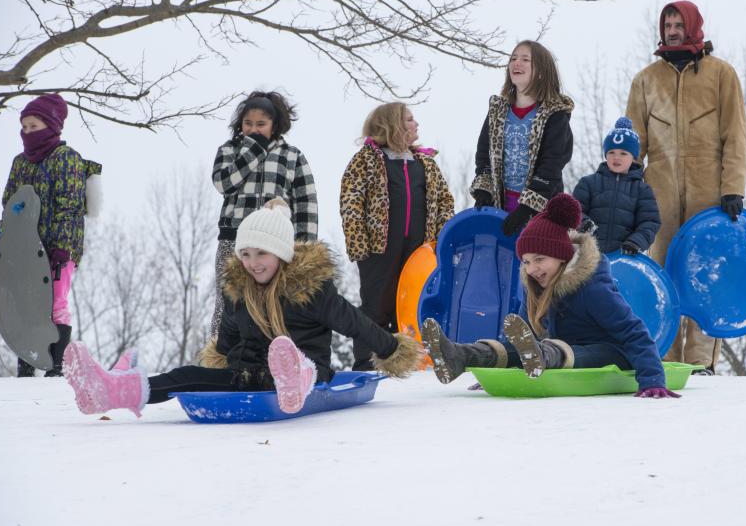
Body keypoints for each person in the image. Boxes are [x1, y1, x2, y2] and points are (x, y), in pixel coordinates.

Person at [63, 199, 420, 418]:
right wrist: (217, 366)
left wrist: (392, 348)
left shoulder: (310, 291)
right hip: (249, 374)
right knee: (186, 374)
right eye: (245, 255)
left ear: (280, 253)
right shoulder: (238, 292)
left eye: (261, 254)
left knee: (300, 364)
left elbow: (356, 323)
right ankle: (109, 391)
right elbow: (227, 342)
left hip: (312, 371)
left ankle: (296, 378)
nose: (252, 263)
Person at [421, 193, 679, 399]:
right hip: (549, 350)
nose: (532, 269)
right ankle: (459, 355)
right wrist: (497, 372)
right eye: (526, 261)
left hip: (610, 352)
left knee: (557, 350)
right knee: (522, 347)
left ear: (561, 255)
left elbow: (633, 331)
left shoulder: (591, 286)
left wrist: (652, 379)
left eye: (540, 259)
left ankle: (542, 357)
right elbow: (522, 337)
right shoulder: (533, 285)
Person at [626, 1, 746, 373]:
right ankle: (665, 358)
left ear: (693, 26)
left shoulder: (720, 75)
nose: (673, 30)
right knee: (661, 276)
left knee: (704, 274)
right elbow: (634, 142)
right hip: (658, 195)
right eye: (668, 24)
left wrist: (733, 189)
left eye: (679, 23)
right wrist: (628, 187)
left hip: (708, 194)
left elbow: (735, 136)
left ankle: (700, 362)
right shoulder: (646, 80)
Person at [340, 102, 454, 371]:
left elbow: (444, 201)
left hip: (419, 249)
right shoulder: (366, 160)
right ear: (392, 126)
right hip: (378, 249)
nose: (416, 125)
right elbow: (351, 202)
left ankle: (415, 360)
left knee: (413, 301)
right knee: (376, 304)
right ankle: (368, 361)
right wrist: (360, 246)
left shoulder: (425, 163)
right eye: (410, 120)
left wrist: (440, 242)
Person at [1, 93, 102, 378]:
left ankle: (56, 365)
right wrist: (5, 242)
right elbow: (9, 203)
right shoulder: (20, 162)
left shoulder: (66, 159)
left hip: (59, 246)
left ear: (52, 126)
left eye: (34, 126)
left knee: (56, 301)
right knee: (25, 303)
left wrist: (61, 247)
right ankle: (28, 361)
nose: (28, 132)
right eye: (25, 127)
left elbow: (69, 206)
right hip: (23, 249)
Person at [210, 91, 318, 337]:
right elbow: (223, 184)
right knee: (228, 300)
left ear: (274, 125)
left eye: (261, 124)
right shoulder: (229, 150)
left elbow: (306, 202)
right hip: (234, 240)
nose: (253, 129)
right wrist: (252, 151)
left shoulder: (292, 156)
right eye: (248, 123)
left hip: (275, 243)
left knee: (272, 302)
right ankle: (219, 356)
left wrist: (305, 247)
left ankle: (273, 356)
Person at [471, 40, 574, 236]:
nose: (516, 63)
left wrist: (527, 208)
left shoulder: (555, 115)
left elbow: (551, 165)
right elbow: (484, 155)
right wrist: (484, 191)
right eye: (513, 58)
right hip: (499, 206)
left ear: (542, 71)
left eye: (525, 59)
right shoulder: (497, 111)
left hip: (542, 211)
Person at [572, 117, 660, 255]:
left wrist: (636, 242)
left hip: (624, 257)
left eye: (623, 153)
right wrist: (582, 223)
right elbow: (573, 210)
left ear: (633, 157)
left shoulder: (642, 190)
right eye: (611, 152)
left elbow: (649, 222)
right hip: (588, 256)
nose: (616, 157)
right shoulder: (588, 183)